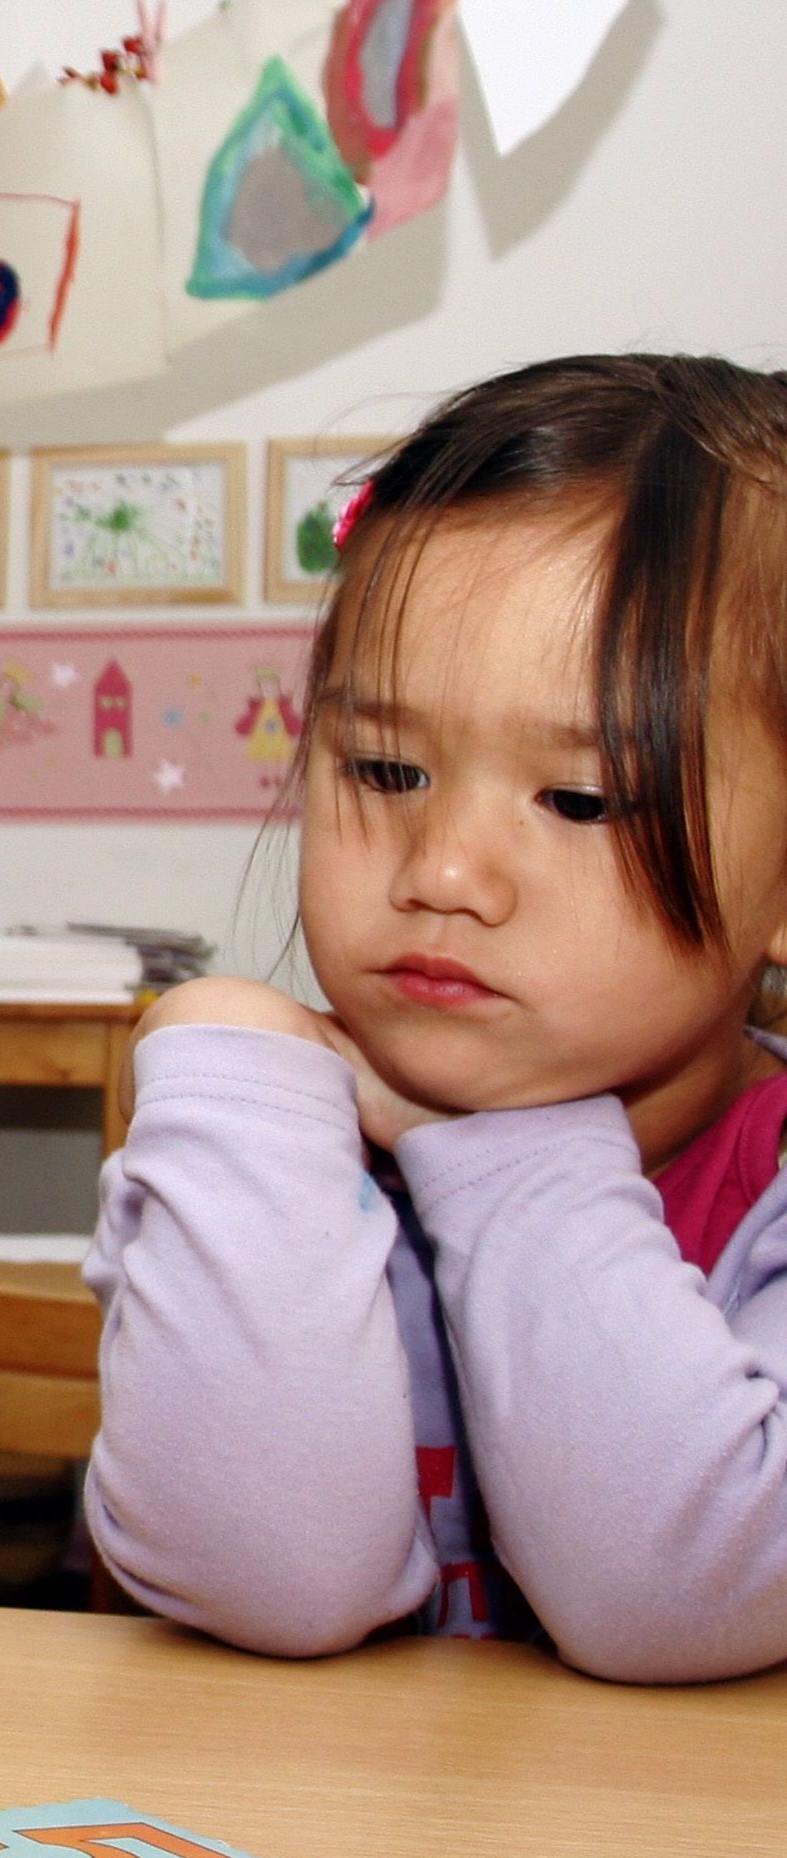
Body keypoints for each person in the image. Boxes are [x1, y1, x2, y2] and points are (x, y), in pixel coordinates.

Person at [87, 354, 787, 1684]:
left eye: (581, 799)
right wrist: (234, 1079)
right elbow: (270, 1580)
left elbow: (671, 1595)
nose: (440, 873)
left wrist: (513, 1150)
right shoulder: (269, 1133)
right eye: (386, 769)